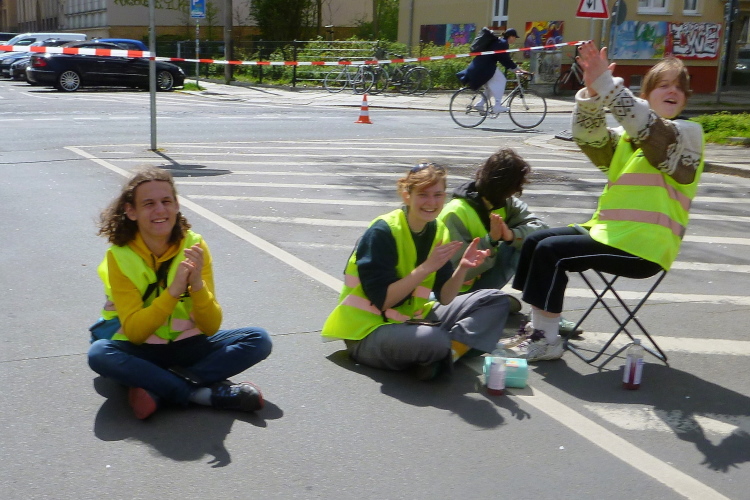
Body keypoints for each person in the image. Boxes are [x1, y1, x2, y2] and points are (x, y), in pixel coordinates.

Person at [510, 41, 705, 362]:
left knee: (551, 252)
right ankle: (539, 325)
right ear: (646, 94)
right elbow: (588, 137)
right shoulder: (626, 138)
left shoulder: (687, 133)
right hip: (610, 234)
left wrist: (607, 85)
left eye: (679, 88)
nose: (673, 91)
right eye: (664, 85)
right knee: (535, 241)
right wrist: (591, 95)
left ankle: (546, 339)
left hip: (645, 248)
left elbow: (651, 130)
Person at [88, 166, 273, 419]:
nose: (160, 210)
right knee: (99, 354)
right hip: (141, 349)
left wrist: (197, 287)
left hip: (189, 346)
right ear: (131, 211)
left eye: (166, 201)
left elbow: (210, 326)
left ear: (176, 206)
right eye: (149, 204)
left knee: (258, 339)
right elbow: (135, 332)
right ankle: (203, 394)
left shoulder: (195, 245)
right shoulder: (119, 256)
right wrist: (173, 291)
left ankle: (158, 388)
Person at [321, 162, 511, 380]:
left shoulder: (438, 230)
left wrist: (462, 268)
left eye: (438, 195)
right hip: (368, 331)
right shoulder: (383, 231)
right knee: (433, 339)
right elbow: (384, 301)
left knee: (495, 300)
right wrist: (427, 267)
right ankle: (443, 352)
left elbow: (445, 297)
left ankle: (443, 356)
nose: (431, 202)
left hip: (412, 318)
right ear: (406, 195)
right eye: (423, 195)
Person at [437, 148, 581, 336]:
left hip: (483, 278)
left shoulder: (506, 202)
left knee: (534, 245)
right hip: (454, 293)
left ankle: (542, 311)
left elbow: (541, 229)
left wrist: (511, 235)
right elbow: (454, 273)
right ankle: (487, 302)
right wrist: (491, 240)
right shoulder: (455, 212)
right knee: (523, 248)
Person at [456, 28, 529, 113]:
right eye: (515, 37)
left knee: (490, 88)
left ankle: (480, 104)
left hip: (481, 65)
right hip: (486, 66)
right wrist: (517, 69)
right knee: (502, 80)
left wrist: (515, 69)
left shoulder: (500, 42)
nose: (515, 39)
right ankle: (497, 105)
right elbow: (505, 60)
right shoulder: (502, 43)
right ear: (511, 36)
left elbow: (504, 60)